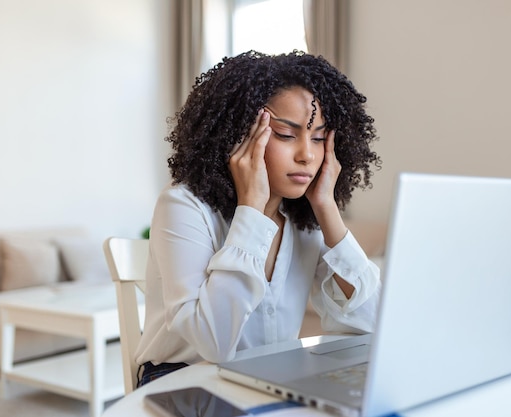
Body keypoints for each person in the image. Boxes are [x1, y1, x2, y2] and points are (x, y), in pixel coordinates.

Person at [136, 50, 382, 386]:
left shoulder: (304, 220)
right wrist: (252, 208)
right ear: (240, 135)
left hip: (269, 380)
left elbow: (371, 323)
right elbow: (213, 342)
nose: (307, 155)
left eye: (319, 138)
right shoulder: (182, 206)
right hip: (181, 382)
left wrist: (327, 208)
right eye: (285, 134)